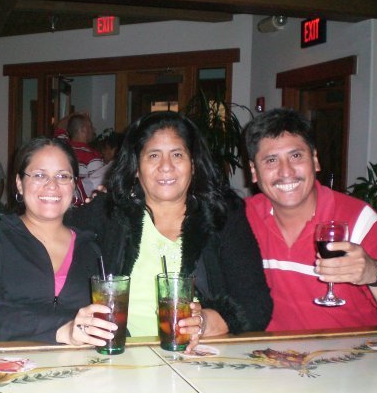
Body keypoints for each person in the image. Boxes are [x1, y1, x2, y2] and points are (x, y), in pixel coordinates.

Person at [63, 111, 272, 341]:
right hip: (121, 357)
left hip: (196, 361)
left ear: (193, 164)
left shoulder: (222, 217)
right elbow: (45, 229)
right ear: (135, 166)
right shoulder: (109, 213)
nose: (166, 166)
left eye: (177, 154)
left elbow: (256, 306)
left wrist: (205, 322)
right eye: (153, 156)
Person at [0, 137, 116, 346]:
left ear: (74, 186)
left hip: (70, 369)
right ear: (19, 184)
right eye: (40, 175)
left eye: (63, 176)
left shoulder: (91, 249)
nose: (52, 186)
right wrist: (63, 329)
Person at [244, 108, 377, 331]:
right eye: (271, 160)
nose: (286, 172)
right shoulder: (242, 219)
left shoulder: (359, 221)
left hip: (352, 360)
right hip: (274, 358)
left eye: (296, 156)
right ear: (254, 172)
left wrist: (375, 274)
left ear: (315, 160)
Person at [57, 113, 105, 200]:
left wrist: (77, 114)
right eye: (91, 126)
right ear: (83, 130)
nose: (94, 129)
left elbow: (60, 125)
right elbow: (97, 189)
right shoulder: (93, 157)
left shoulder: (60, 147)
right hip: (80, 208)